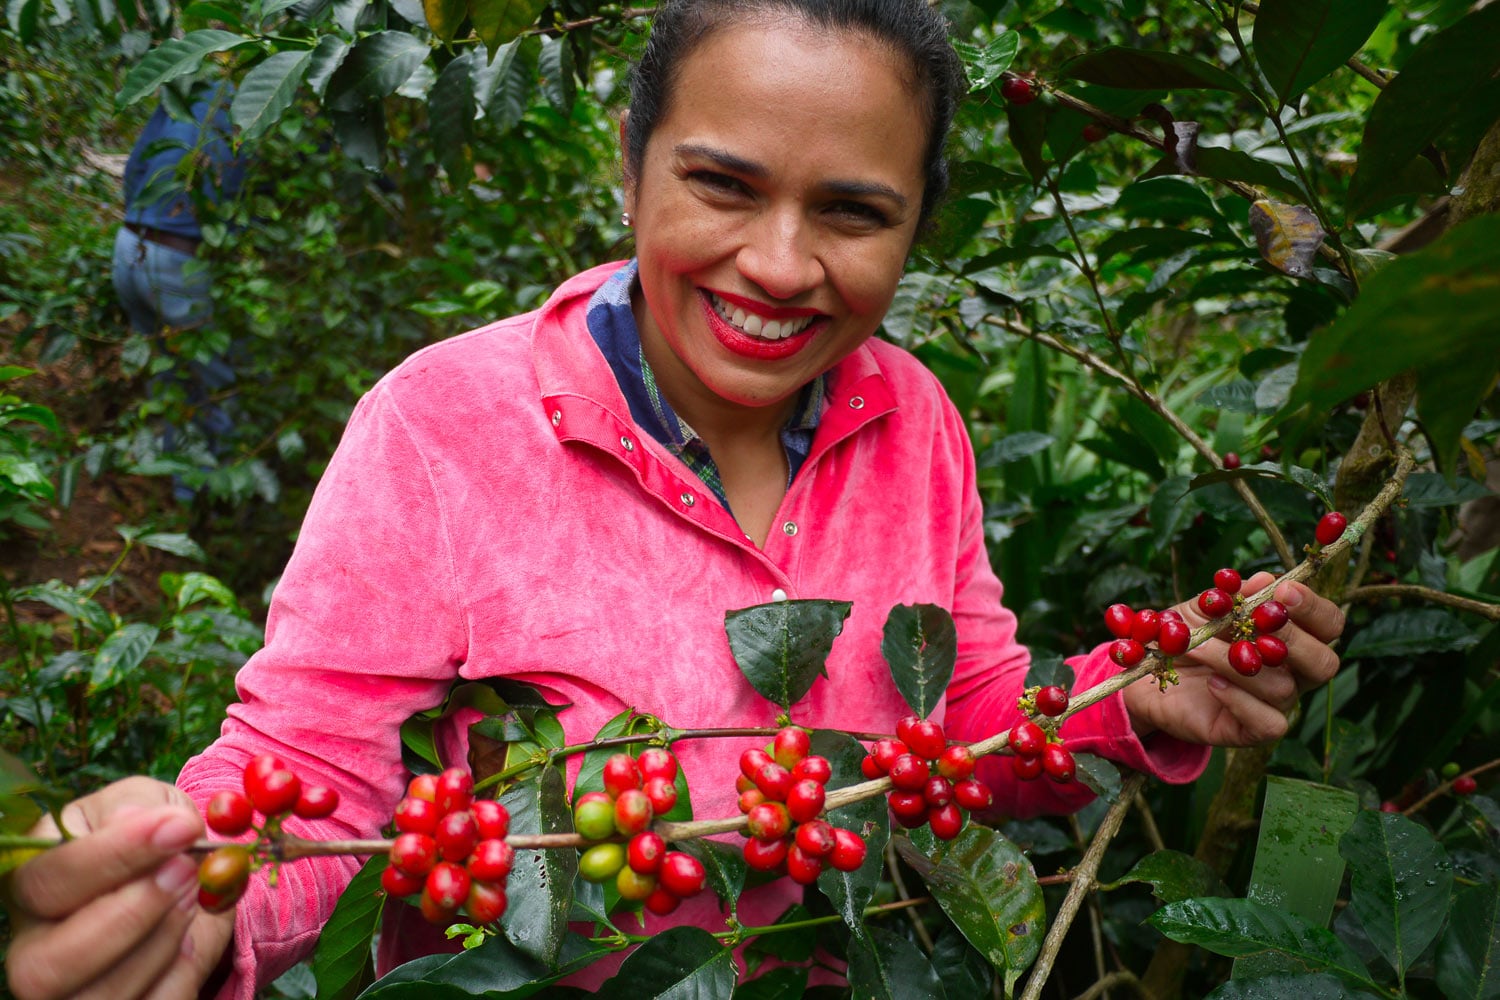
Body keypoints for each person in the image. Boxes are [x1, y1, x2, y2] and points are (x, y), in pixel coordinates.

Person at [2, 2, 1346, 997]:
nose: (779, 264)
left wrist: (1129, 694)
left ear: (917, 225)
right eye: (722, 184)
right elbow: (316, 774)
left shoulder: (914, 418)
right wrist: (192, 888)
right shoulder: (445, 424)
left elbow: (958, 722)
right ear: (630, 161)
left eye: (854, 213)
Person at [112, 79, 249, 462]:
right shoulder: (260, 102)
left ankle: (179, 482)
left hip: (128, 247)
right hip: (177, 259)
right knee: (215, 386)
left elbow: (138, 163)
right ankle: (213, 494)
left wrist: (146, 216)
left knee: (168, 376)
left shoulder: (193, 86)